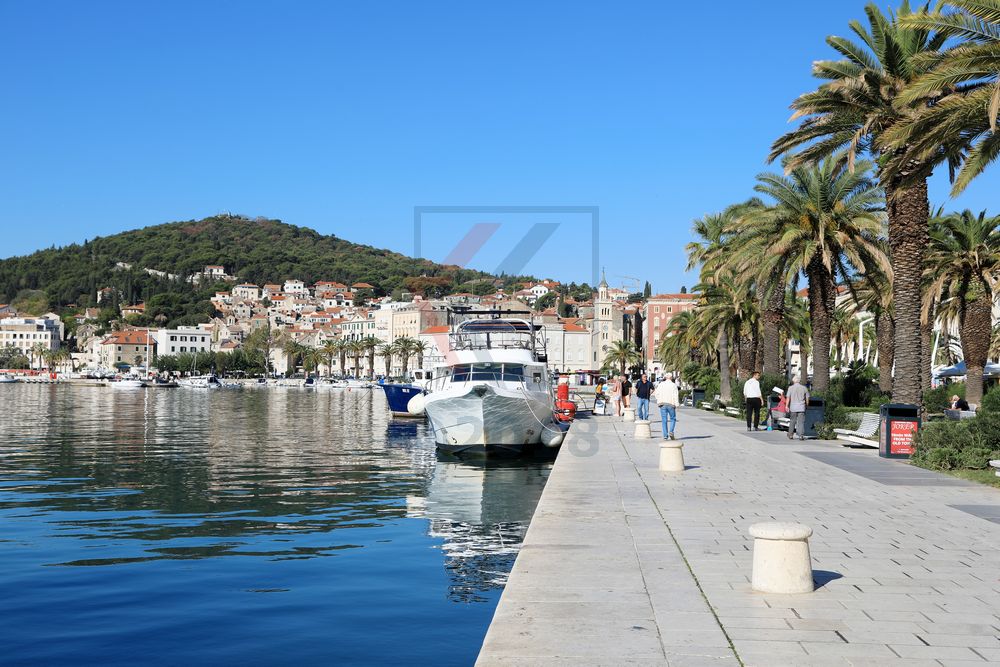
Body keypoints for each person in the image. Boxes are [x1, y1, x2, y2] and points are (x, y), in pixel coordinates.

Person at [654, 372, 680, 439]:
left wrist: (659, 400)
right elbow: (675, 395)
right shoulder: (673, 385)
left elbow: (656, 393)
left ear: (665, 377)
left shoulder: (661, 384)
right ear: (671, 378)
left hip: (662, 404)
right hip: (671, 404)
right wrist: (677, 405)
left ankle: (665, 435)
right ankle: (671, 431)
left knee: (664, 420)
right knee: (673, 418)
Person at [786, 376, 810, 441]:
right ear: (799, 381)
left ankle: (790, 434)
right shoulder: (804, 388)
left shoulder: (790, 388)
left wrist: (786, 406)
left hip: (793, 407)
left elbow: (788, 397)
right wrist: (807, 405)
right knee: (801, 422)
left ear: (793, 381)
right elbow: (807, 398)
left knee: (792, 421)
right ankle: (801, 435)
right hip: (801, 407)